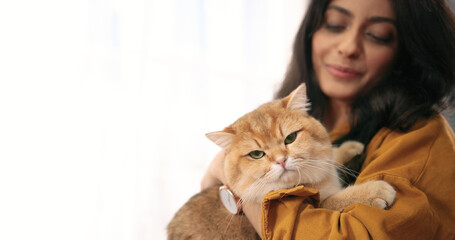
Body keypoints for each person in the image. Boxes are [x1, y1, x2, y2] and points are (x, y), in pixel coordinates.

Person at [201, 0, 455, 238]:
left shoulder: (421, 136)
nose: (348, 47)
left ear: (408, 51)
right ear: (312, 31)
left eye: (377, 35)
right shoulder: (310, 124)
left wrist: (231, 183)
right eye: (335, 25)